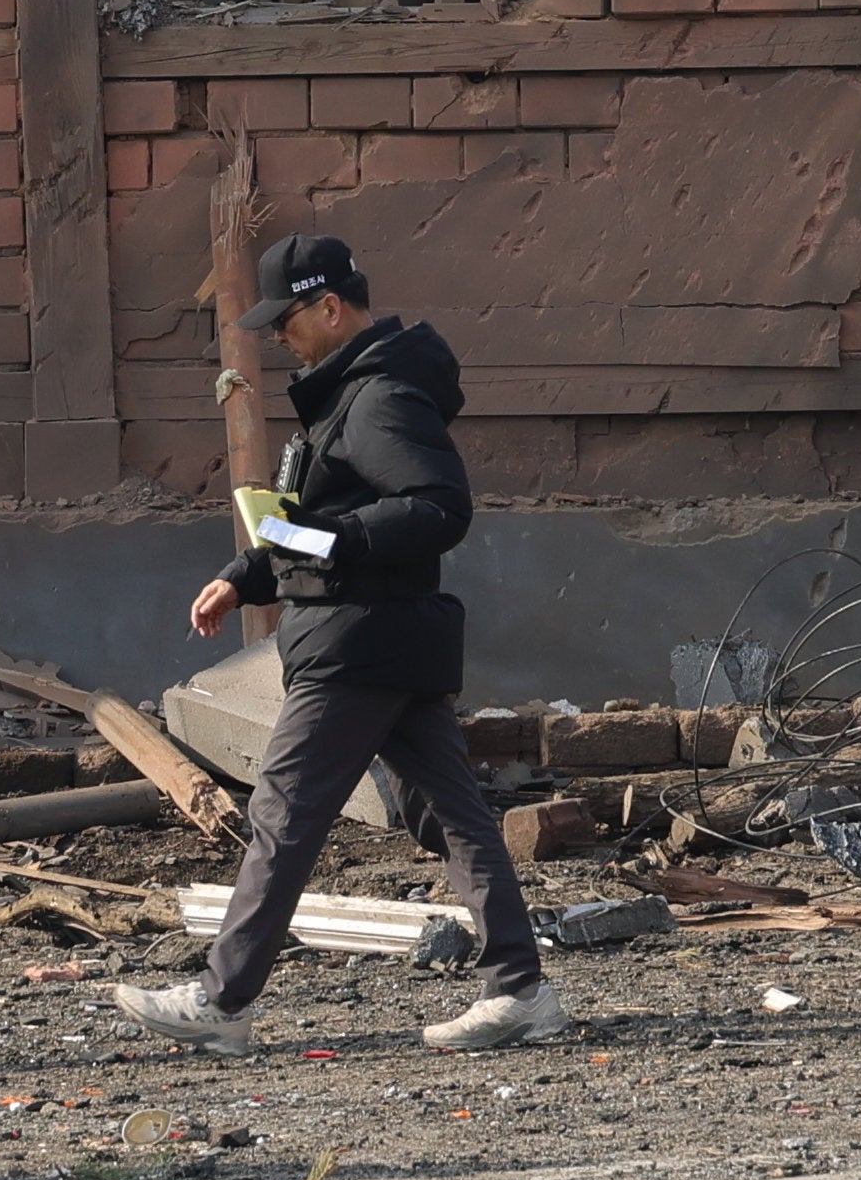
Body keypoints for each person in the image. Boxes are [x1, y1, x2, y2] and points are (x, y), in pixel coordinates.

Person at [117, 236, 562, 1054]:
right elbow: (311, 521)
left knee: (283, 813)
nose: (278, 338)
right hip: (380, 637)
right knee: (453, 814)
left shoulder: (378, 398)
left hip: (359, 643)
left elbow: (438, 507)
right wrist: (248, 573)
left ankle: (222, 1001)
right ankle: (521, 990)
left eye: (286, 321)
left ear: (330, 308)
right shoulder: (345, 399)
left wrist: (334, 542)